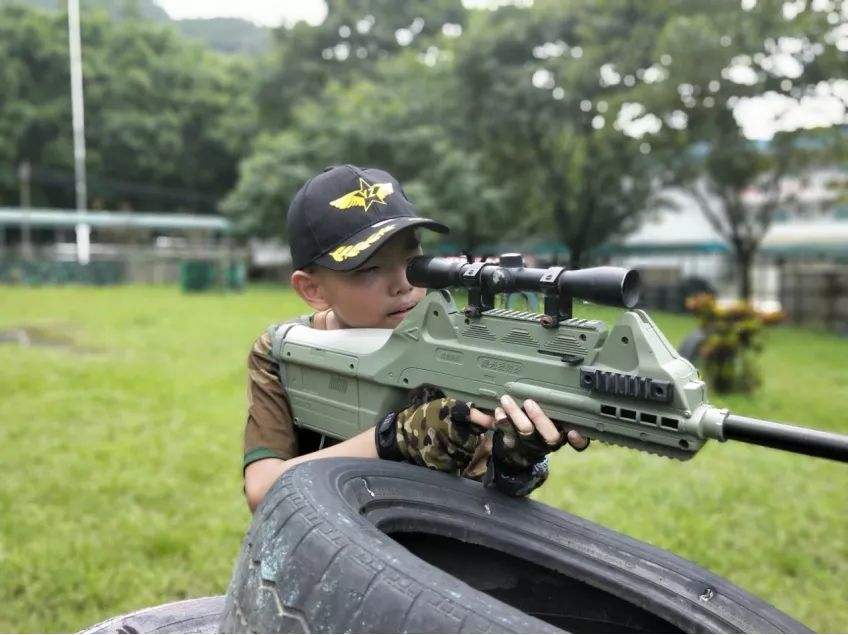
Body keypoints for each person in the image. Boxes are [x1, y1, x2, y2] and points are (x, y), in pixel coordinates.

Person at [242, 164, 589, 512]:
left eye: (412, 259)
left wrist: (514, 459)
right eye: (368, 268)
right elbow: (261, 490)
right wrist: (395, 438)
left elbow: (488, 498)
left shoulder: (459, 345)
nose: (403, 284)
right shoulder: (280, 351)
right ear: (312, 289)